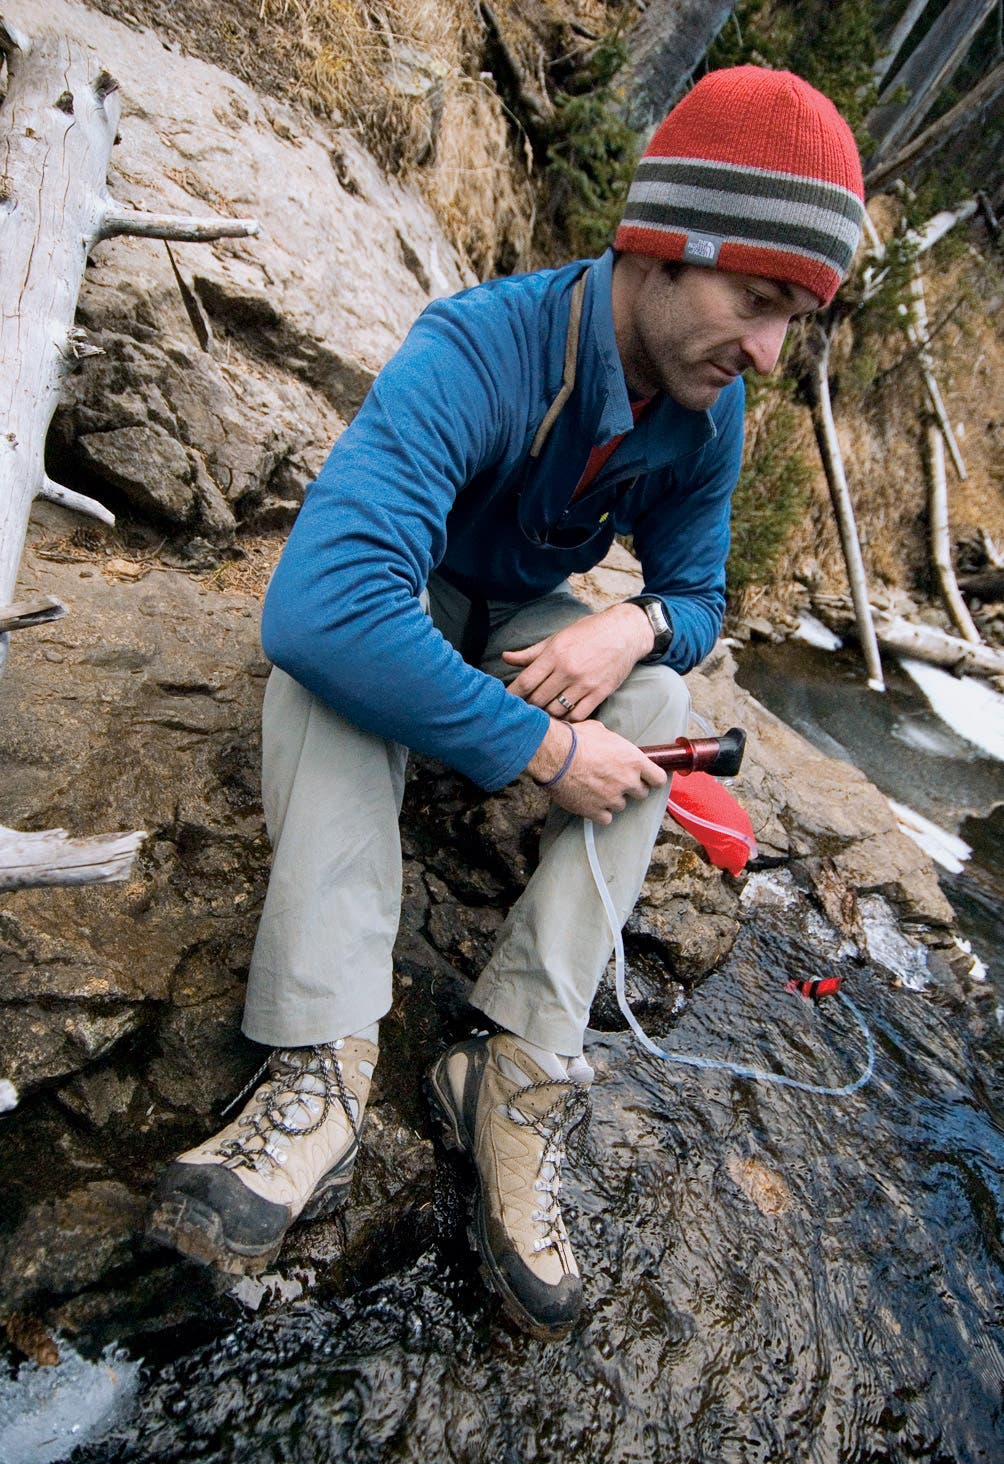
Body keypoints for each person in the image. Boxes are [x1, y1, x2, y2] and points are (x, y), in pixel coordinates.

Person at [150, 65, 864, 1340]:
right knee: (331, 671)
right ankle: (323, 1062)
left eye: (792, 320)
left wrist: (629, 624)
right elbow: (320, 607)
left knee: (656, 700)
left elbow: (698, 595)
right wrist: (538, 746)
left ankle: (514, 1060)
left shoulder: (707, 412)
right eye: (756, 302)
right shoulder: (480, 345)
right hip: (412, 594)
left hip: (524, 620)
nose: (766, 351)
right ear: (658, 247)